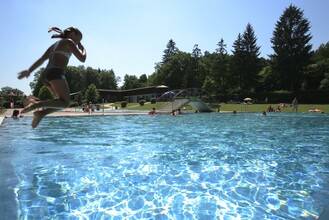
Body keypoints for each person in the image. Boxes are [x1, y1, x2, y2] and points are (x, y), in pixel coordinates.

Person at [18, 27, 86, 128]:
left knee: (59, 102)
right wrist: (83, 49)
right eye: (79, 39)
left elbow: (42, 59)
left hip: (46, 75)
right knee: (66, 103)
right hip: (56, 73)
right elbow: (82, 58)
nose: (78, 42)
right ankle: (36, 105)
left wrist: (29, 70)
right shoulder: (69, 41)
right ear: (72, 34)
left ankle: (41, 113)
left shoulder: (54, 45)